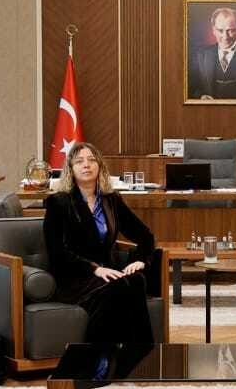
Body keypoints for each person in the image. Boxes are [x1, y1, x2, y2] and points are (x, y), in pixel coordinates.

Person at [42, 141, 158, 364]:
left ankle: (142, 357)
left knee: (136, 280)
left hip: (108, 272)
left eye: (91, 160)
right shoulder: (58, 203)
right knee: (117, 288)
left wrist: (141, 260)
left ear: (100, 166)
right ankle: (95, 361)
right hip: (75, 276)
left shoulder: (111, 200)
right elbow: (57, 253)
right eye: (79, 161)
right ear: (71, 169)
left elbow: (145, 235)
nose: (86, 165)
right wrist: (94, 269)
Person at [188, 6, 236, 100]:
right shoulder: (201, 55)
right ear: (213, 30)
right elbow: (191, 87)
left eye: (230, 30)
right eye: (220, 30)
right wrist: (201, 96)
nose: (225, 36)